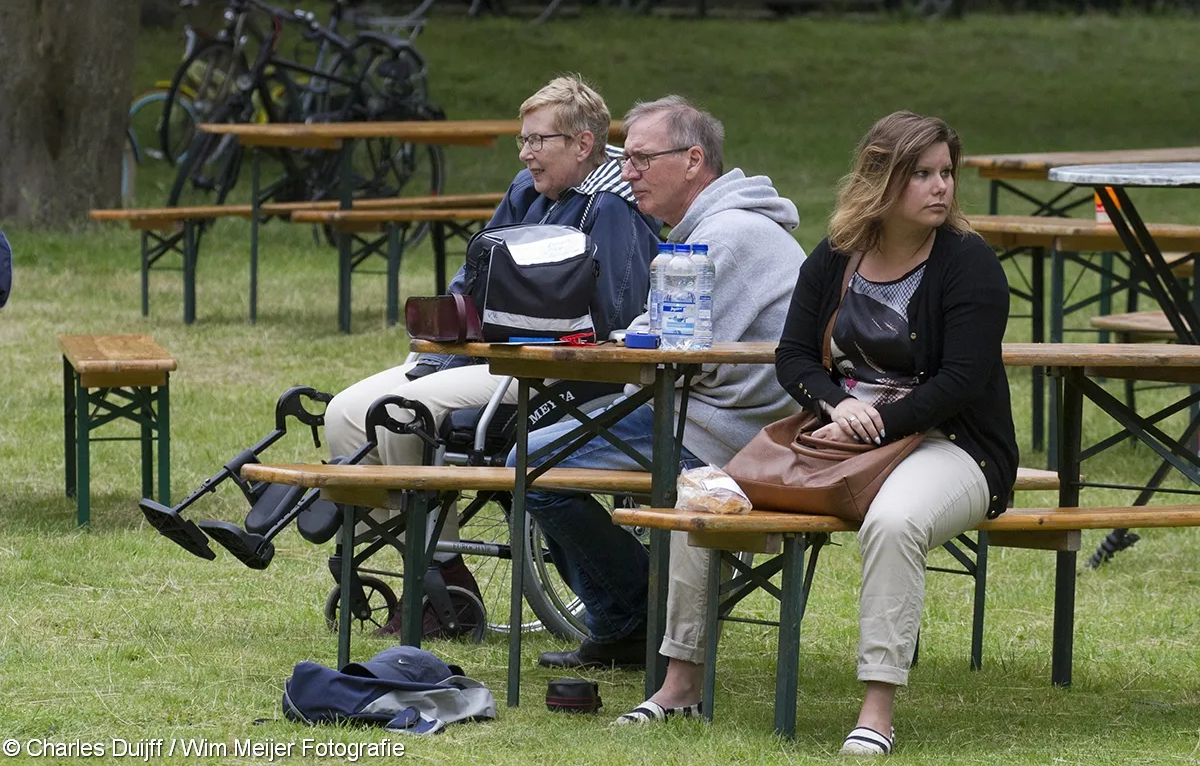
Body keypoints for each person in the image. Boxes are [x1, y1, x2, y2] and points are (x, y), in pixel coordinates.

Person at [619, 111, 1019, 755]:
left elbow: (963, 381)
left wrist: (882, 420)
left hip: (953, 444)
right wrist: (836, 406)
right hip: (842, 438)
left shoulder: (967, 262)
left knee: (894, 522)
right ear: (880, 178)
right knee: (707, 498)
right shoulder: (837, 255)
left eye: (946, 173)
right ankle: (680, 685)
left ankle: (877, 709)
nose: (940, 187)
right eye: (921, 174)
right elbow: (795, 357)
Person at [323, 75, 661, 633]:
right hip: (484, 358)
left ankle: (437, 587)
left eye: (538, 140)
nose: (526, 153)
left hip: (560, 374)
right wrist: (451, 315)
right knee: (344, 413)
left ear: (583, 144)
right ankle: (441, 573)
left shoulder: (612, 209)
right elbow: (473, 276)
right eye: (521, 140)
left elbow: (614, 317)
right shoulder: (526, 193)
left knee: (405, 414)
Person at [512, 95, 805, 670]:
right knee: (536, 458)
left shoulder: (728, 235)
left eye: (643, 159)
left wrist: (623, 343)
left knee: (529, 465)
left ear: (694, 160)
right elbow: (669, 336)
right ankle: (634, 612)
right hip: (717, 417)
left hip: (728, 436)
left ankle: (630, 615)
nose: (627, 172)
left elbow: (678, 351)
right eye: (627, 159)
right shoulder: (716, 228)